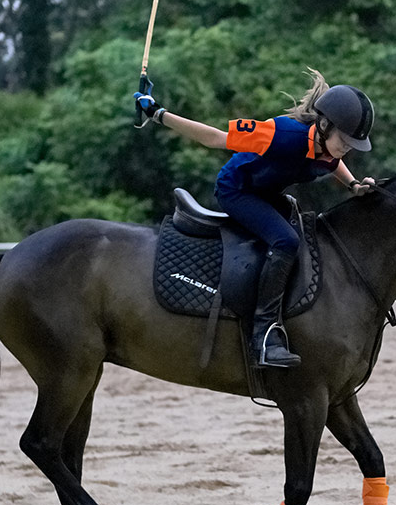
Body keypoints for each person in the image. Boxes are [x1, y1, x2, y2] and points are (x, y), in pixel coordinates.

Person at [134, 69, 376, 369]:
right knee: (286, 240)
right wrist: (158, 114)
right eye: (345, 139)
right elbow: (215, 138)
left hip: (266, 193)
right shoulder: (280, 134)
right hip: (236, 191)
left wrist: (353, 185)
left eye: (353, 143)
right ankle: (264, 336)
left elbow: (333, 162)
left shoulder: (329, 149)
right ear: (324, 124)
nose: (347, 148)